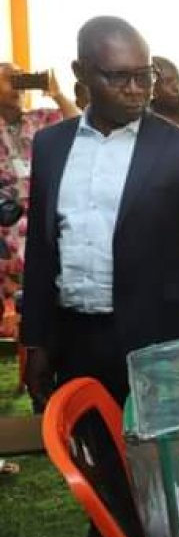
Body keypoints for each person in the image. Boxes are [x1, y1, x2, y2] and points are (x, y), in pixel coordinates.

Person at [22, 15, 179, 537]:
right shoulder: (52, 145)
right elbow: (43, 252)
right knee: (98, 461)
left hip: (154, 346)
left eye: (145, 76)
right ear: (81, 75)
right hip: (78, 339)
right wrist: (37, 341)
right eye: (120, 78)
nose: (137, 90)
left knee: (156, 469)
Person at [0, 63, 79, 337]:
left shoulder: (40, 120)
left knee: (43, 315)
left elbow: (79, 125)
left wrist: (55, 93)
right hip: (4, 236)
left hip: (41, 229)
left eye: (21, 77)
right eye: (10, 79)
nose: (18, 83)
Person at [150, 55, 179, 129]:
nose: (177, 88)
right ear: (153, 90)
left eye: (178, 80)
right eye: (168, 82)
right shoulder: (142, 121)